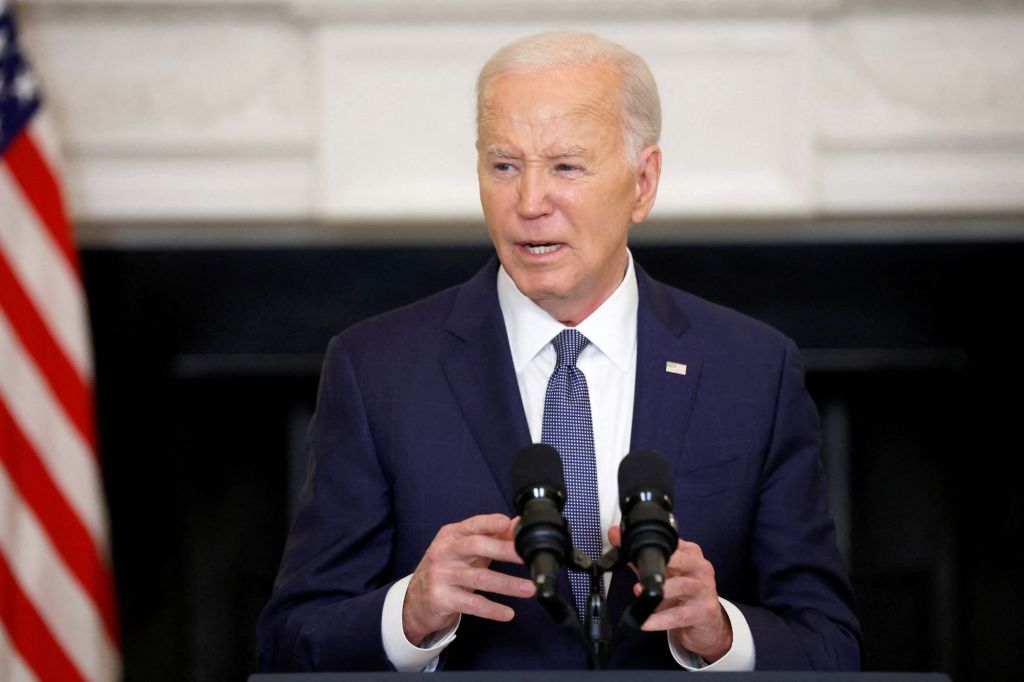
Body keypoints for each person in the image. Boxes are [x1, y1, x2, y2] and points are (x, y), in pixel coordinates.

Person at [256, 31, 861, 672]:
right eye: (504, 166)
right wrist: (408, 614)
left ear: (643, 182)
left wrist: (719, 636)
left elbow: (830, 645)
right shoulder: (376, 369)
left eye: (566, 166)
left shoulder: (753, 370)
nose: (529, 203)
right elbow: (289, 644)